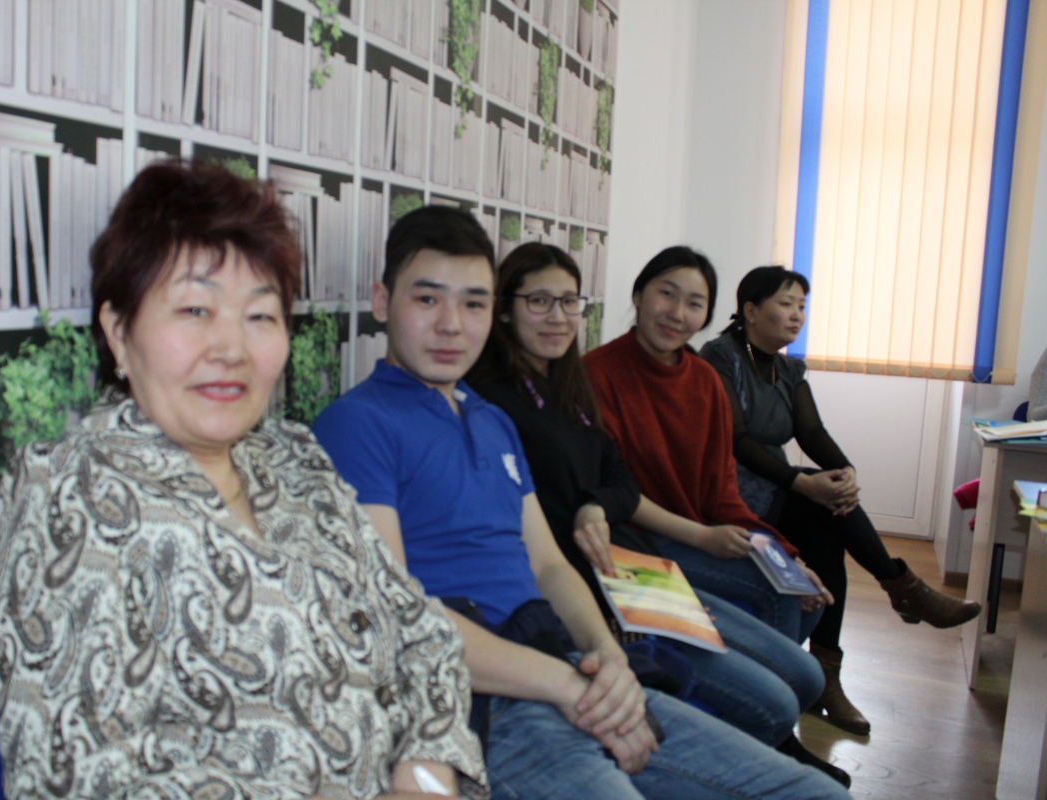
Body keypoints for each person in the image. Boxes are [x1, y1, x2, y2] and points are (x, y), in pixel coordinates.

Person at [0, 160, 486, 800]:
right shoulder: (71, 496)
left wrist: (423, 782)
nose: (232, 349)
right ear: (119, 333)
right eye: (195, 308)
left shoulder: (295, 459)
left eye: (260, 316)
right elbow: (83, 782)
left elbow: (423, 636)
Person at [313, 208, 851, 800]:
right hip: (477, 702)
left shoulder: (491, 419)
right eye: (427, 299)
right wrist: (573, 683)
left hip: (565, 657)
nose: (451, 324)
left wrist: (606, 657)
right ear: (382, 301)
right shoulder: (357, 425)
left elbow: (547, 564)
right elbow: (396, 618)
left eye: (472, 303)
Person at [464, 242, 849, 786]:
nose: (557, 316)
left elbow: (622, 480)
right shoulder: (494, 403)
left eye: (568, 302)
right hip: (613, 575)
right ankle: (774, 750)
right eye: (539, 301)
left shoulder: (566, 384)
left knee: (803, 673)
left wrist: (599, 504)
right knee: (782, 698)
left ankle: (777, 744)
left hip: (635, 566)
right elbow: (554, 536)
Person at [698, 265, 982, 734]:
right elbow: (737, 440)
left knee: (829, 532)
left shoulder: (788, 368)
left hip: (774, 488)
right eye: (786, 304)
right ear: (750, 310)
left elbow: (811, 430)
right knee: (821, 502)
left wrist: (845, 473)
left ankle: (829, 680)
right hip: (729, 492)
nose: (797, 315)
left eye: (802, 306)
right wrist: (803, 482)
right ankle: (902, 591)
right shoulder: (719, 358)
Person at [583, 246, 830, 648]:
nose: (677, 313)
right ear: (638, 295)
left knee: (806, 598)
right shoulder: (596, 374)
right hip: (631, 543)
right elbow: (614, 494)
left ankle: (755, 679)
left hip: (694, 535)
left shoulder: (704, 380)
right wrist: (703, 537)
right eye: (667, 294)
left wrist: (786, 557)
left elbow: (722, 493)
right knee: (780, 596)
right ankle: (771, 686)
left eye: (694, 303)